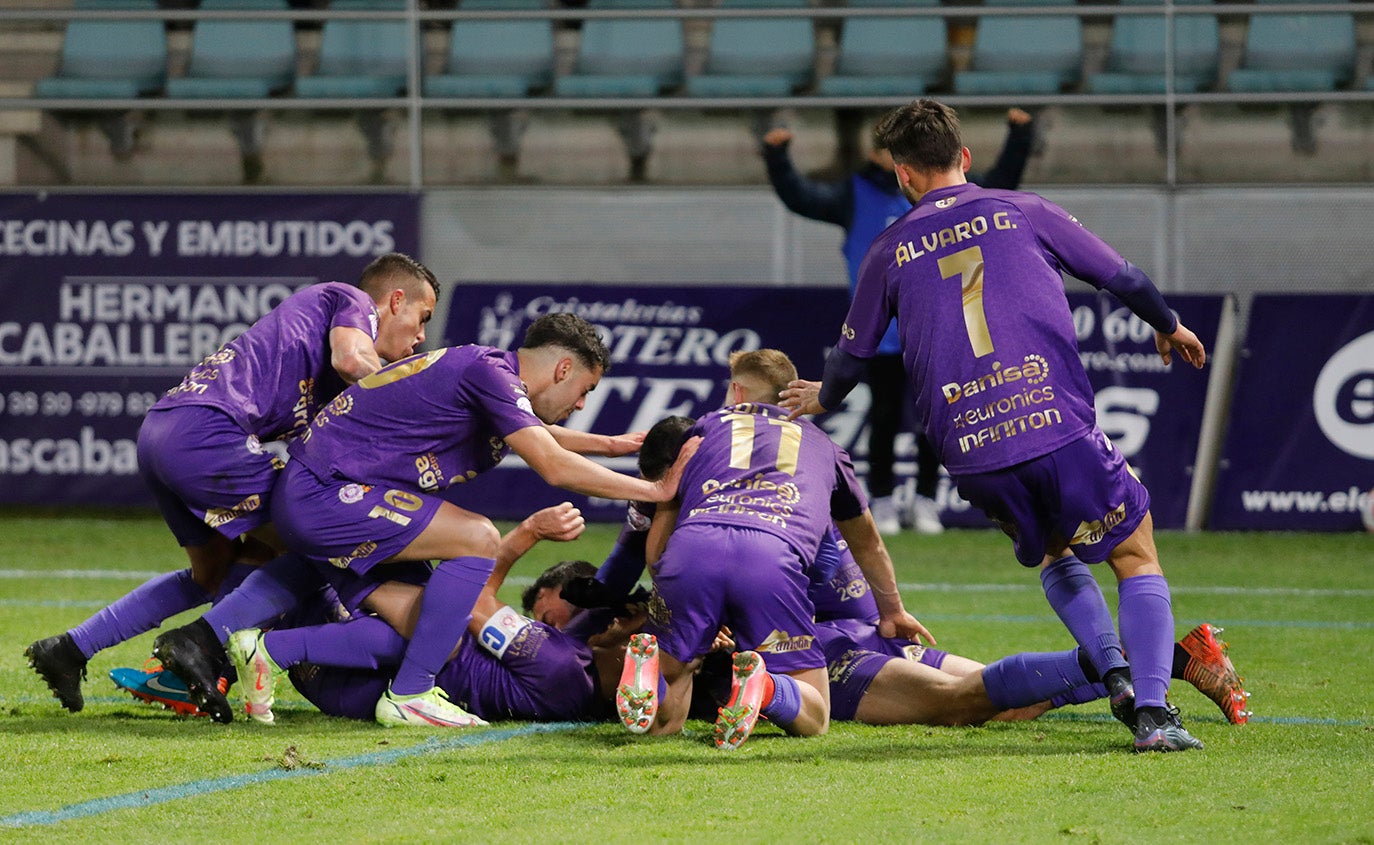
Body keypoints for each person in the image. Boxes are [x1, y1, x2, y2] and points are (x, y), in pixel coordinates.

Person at [781, 99, 1212, 752]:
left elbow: (852, 355)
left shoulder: (890, 247)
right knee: (1134, 551)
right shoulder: (1024, 210)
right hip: (1052, 423)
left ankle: (1112, 669)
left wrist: (823, 396)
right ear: (966, 158)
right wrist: (1168, 322)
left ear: (902, 174)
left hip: (972, 450)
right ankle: (1152, 710)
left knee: (1053, 551)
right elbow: (1119, 275)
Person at [149, 313, 697, 727]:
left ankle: (264, 651)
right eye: (585, 390)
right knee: (478, 536)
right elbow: (550, 464)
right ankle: (410, 693)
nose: (581, 404)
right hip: (330, 494)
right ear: (562, 368)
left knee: (431, 620)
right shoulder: (492, 375)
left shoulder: (491, 374)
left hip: (330, 495)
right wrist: (655, 489)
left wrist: (609, 444)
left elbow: (541, 433)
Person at [24, 252, 439, 713]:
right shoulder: (352, 301)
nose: (421, 337)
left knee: (214, 571)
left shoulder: (329, 384)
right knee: (309, 545)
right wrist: (414, 394)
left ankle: (70, 648)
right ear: (395, 301)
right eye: (422, 319)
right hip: (209, 434)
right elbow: (352, 357)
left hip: (163, 431)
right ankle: (200, 653)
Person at [619, 349, 927, 750]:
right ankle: (764, 688)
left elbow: (661, 535)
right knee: (815, 716)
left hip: (692, 547)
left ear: (736, 390)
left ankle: (650, 673)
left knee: (672, 688)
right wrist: (892, 612)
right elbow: (867, 542)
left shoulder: (701, 429)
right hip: (770, 556)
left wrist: (669, 582)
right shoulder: (826, 448)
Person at [762, 108, 1036, 536]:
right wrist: (777, 159)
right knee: (885, 419)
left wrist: (1020, 138)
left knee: (938, 422)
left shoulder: (944, 189)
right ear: (881, 156)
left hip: (938, 331)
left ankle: (926, 501)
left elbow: (1000, 183)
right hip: (884, 338)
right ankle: (886, 501)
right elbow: (801, 196)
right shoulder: (852, 194)